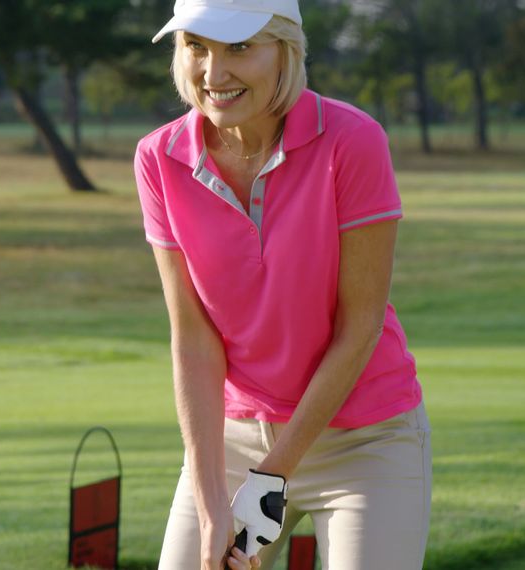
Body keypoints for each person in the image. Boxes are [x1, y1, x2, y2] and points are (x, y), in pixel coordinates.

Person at [134, 1, 431, 569]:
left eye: (240, 48)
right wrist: (212, 499)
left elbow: (359, 326)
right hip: (235, 438)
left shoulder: (352, 140)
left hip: (363, 439)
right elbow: (193, 338)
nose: (213, 74)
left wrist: (272, 479)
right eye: (196, 46)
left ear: (285, 49)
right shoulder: (159, 158)